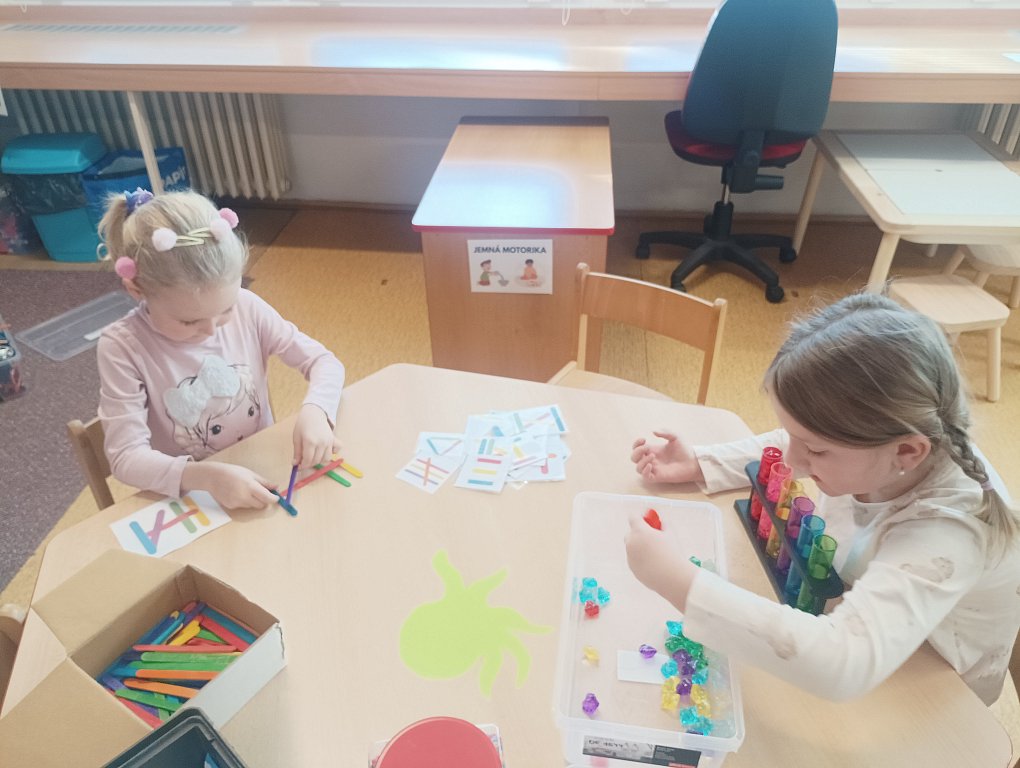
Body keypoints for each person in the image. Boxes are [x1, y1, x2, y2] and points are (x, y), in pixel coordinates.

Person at [625, 292, 1020, 705]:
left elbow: (844, 661)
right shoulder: (883, 449)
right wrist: (702, 462)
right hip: (864, 614)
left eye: (815, 451)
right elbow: (796, 440)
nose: (793, 462)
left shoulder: (949, 532)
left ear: (907, 451)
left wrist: (680, 583)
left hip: (928, 691)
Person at [96, 189, 345, 510]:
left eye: (225, 309)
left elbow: (324, 361)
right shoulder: (122, 347)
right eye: (189, 321)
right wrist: (206, 477)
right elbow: (126, 457)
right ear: (135, 288)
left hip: (262, 468)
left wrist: (317, 410)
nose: (212, 331)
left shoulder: (247, 307)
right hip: (193, 493)